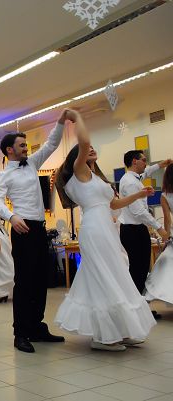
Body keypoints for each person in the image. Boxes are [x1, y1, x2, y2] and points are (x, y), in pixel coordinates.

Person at [54, 110, 156, 351]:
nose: (90, 150)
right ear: (76, 157)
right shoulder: (78, 173)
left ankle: (121, 329)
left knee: (115, 274)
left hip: (107, 229)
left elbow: (113, 204)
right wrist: (76, 117)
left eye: (91, 150)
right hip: (94, 229)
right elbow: (85, 142)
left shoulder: (96, 177)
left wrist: (138, 195)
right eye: (85, 150)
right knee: (105, 276)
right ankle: (104, 336)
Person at [0, 109, 71, 353]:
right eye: (22, 145)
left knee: (40, 280)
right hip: (22, 228)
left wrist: (60, 121)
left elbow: (51, 143)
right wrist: (11, 216)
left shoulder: (33, 163)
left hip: (39, 228)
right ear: (9, 150)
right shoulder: (4, 175)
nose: (26, 148)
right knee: (24, 281)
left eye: (26, 145)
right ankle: (21, 333)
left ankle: (37, 326)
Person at [119, 150, 172, 319]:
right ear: (135, 162)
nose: (146, 163)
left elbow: (147, 171)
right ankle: (136, 310)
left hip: (135, 229)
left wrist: (161, 165)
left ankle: (140, 308)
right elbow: (138, 212)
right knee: (138, 270)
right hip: (133, 230)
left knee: (141, 269)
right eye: (143, 160)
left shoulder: (134, 178)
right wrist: (159, 228)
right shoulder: (131, 183)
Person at [145, 164, 173, 303]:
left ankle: (154, 294)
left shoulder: (165, 196)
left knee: (166, 262)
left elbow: (167, 219)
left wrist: (166, 237)